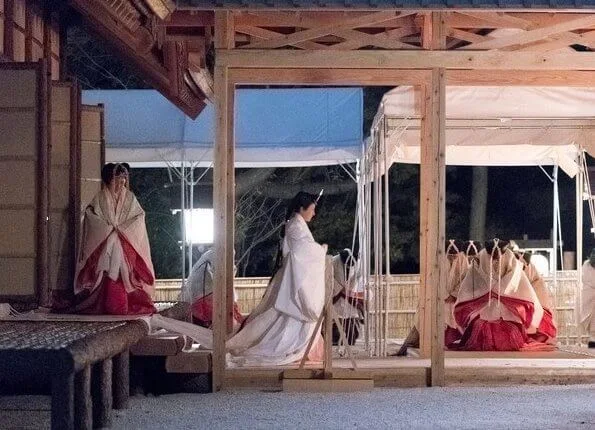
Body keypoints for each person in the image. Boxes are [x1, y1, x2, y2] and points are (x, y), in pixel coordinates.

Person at [227, 191, 327, 366]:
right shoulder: (295, 225)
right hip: (294, 279)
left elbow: (304, 249)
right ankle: (285, 347)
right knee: (287, 319)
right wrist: (321, 251)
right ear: (302, 208)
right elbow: (303, 251)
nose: (314, 213)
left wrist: (317, 250)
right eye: (312, 209)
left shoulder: (297, 224)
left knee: (284, 319)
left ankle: (303, 348)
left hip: (295, 276)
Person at [72, 163, 155, 315]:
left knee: (121, 264)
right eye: (117, 180)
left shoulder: (130, 198)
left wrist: (123, 230)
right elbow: (91, 216)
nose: (120, 183)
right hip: (106, 242)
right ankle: (107, 303)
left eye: (123, 180)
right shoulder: (100, 198)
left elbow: (139, 216)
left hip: (124, 242)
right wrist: (108, 229)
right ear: (109, 180)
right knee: (107, 264)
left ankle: (121, 303)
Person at [177, 248, 245, 329]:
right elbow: (224, 280)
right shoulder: (214, 258)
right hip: (200, 304)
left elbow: (226, 281)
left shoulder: (209, 259)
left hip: (200, 303)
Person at [330, 249, 364, 346]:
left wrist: (348, 290)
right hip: (335, 293)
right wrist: (339, 289)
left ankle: (351, 339)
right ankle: (334, 340)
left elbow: (357, 277)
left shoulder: (358, 263)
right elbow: (329, 276)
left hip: (348, 293)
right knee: (334, 319)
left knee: (350, 319)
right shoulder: (333, 261)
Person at [581, 249, 595, 348]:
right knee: (590, 317)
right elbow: (585, 279)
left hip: (588, 293)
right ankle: (592, 338)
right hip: (588, 294)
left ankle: (592, 338)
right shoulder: (586, 264)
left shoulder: (586, 264)